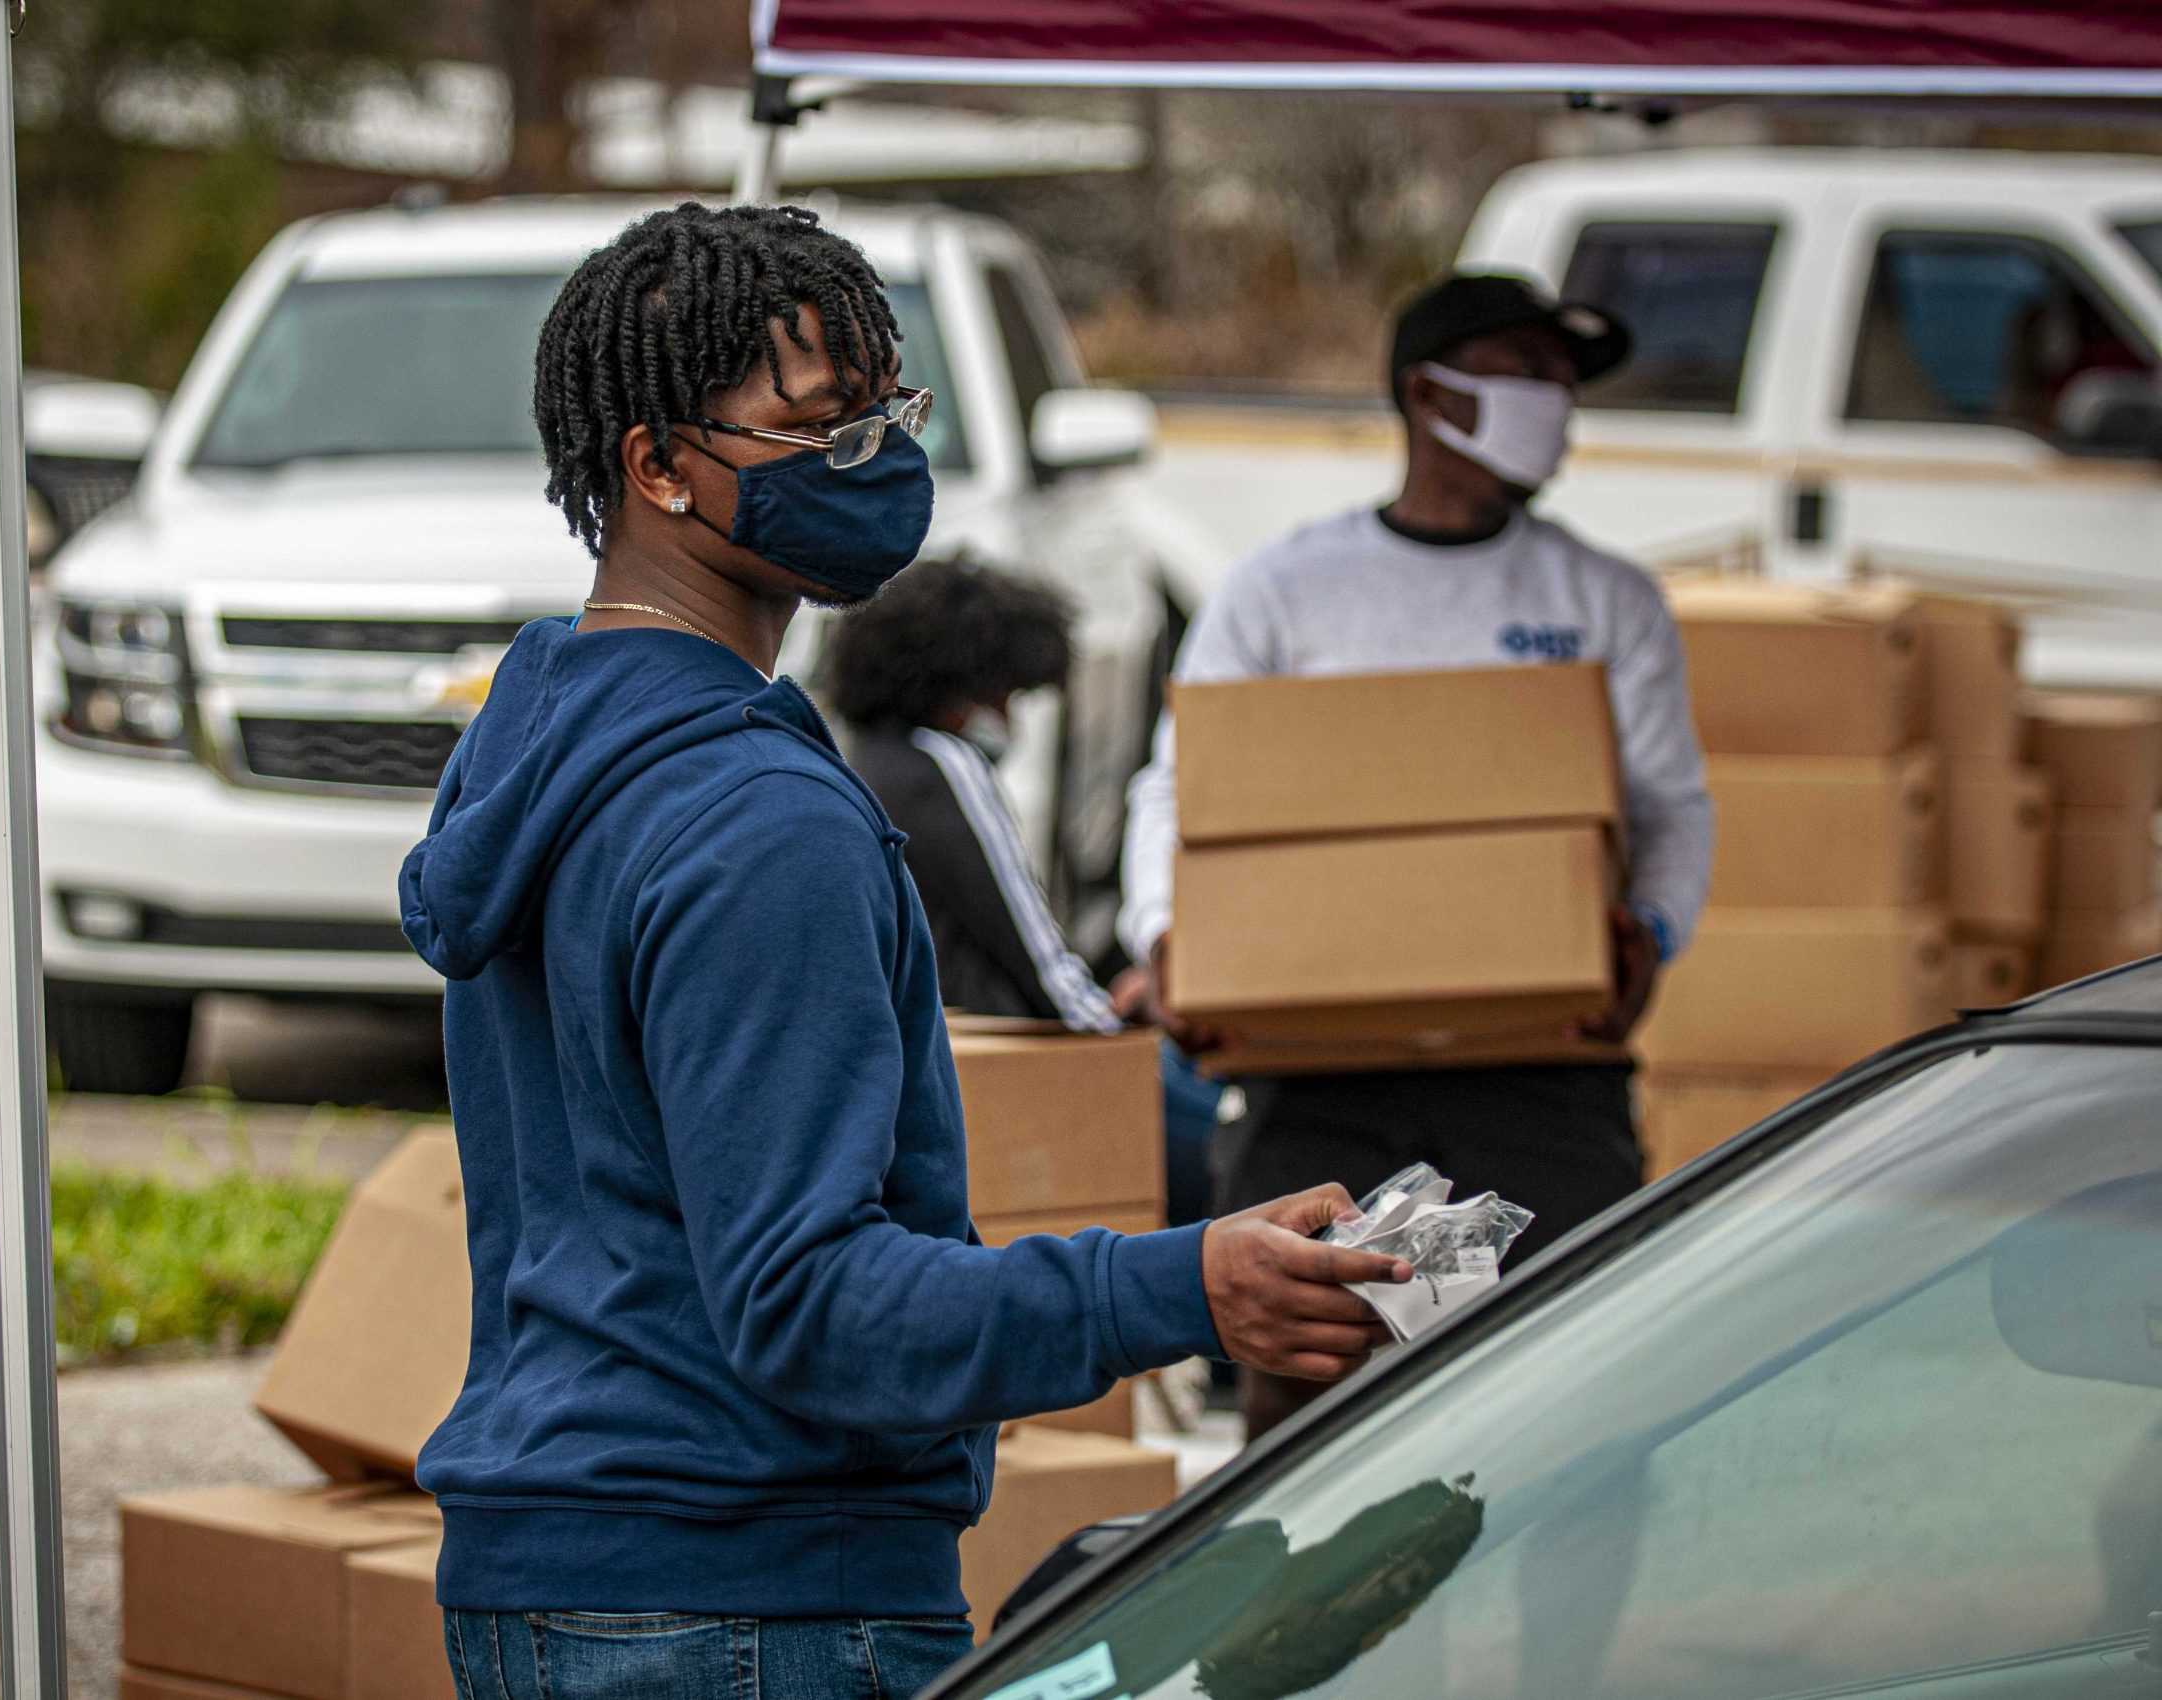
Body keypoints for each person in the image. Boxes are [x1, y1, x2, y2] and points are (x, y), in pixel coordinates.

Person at [397, 202, 1412, 1700]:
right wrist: (1184, 1286)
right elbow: (807, 1303)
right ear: (658, 465)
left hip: (567, 1576)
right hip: (744, 1602)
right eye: (817, 423)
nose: (873, 456)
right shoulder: (760, 821)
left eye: (888, 409)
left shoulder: (547, 748)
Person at [1117, 271, 1715, 1442]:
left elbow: (1672, 805)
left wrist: (1649, 931)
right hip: (1319, 1062)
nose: (1552, 403)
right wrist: (1163, 938)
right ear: (1423, 393)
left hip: (1536, 1062)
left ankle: (1557, 1623)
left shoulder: (1601, 599)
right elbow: (1181, 786)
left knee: (1579, 1375)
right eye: (1522, 373)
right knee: (1298, 1374)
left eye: (1562, 383)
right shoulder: (1284, 590)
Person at [826, 556, 1220, 1228]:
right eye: (1005, 696)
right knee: (1220, 1146)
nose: (1009, 716)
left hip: (934, 1065)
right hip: (1015, 1061)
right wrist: (1116, 1029)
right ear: (964, 686)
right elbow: (1031, 947)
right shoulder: (945, 764)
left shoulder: (867, 762)